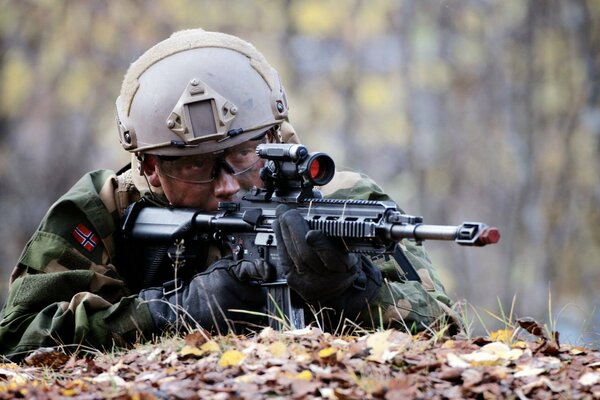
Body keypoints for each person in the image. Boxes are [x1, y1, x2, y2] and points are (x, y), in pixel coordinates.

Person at [0, 29, 454, 361]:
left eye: (244, 154)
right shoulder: (107, 209)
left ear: (277, 136)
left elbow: (445, 331)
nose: (228, 184)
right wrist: (173, 312)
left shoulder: (341, 201)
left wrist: (349, 291)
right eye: (198, 165)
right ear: (151, 167)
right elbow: (17, 339)